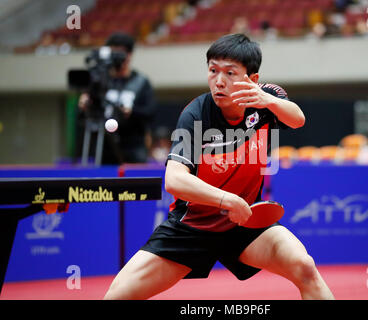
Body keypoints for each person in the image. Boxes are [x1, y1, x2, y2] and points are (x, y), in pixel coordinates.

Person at [104, 33, 335, 300]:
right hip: (191, 227)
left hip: (246, 225)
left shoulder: (265, 102)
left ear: (253, 80)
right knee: (117, 296)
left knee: (305, 267)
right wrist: (226, 200)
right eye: (213, 71)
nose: (219, 81)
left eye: (230, 72)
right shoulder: (196, 114)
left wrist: (268, 101)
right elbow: (174, 180)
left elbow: (298, 120)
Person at [78, 32, 156, 164]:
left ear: (129, 55)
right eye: (112, 53)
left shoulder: (141, 82)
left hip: (134, 148)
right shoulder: (99, 81)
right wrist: (84, 105)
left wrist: (131, 112)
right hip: (104, 148)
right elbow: (83, 116)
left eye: (118, 53)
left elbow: (150, 113)